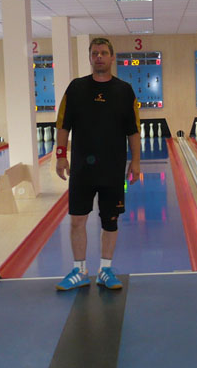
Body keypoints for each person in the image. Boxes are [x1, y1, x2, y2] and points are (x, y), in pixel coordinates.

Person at [54, 37, 141, 290]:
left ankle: (105, 270)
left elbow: (133, 130)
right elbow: (63, 125)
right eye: (94, 53)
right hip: (82, 169)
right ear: (90, 57)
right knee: (77, 220)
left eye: (103, 53)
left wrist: (136, 161)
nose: (99, 57)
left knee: (110, 221)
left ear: (112, 57)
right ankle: (79, 271)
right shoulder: (76, 88)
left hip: (113, 169)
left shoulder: (124, 91)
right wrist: (61, 155)